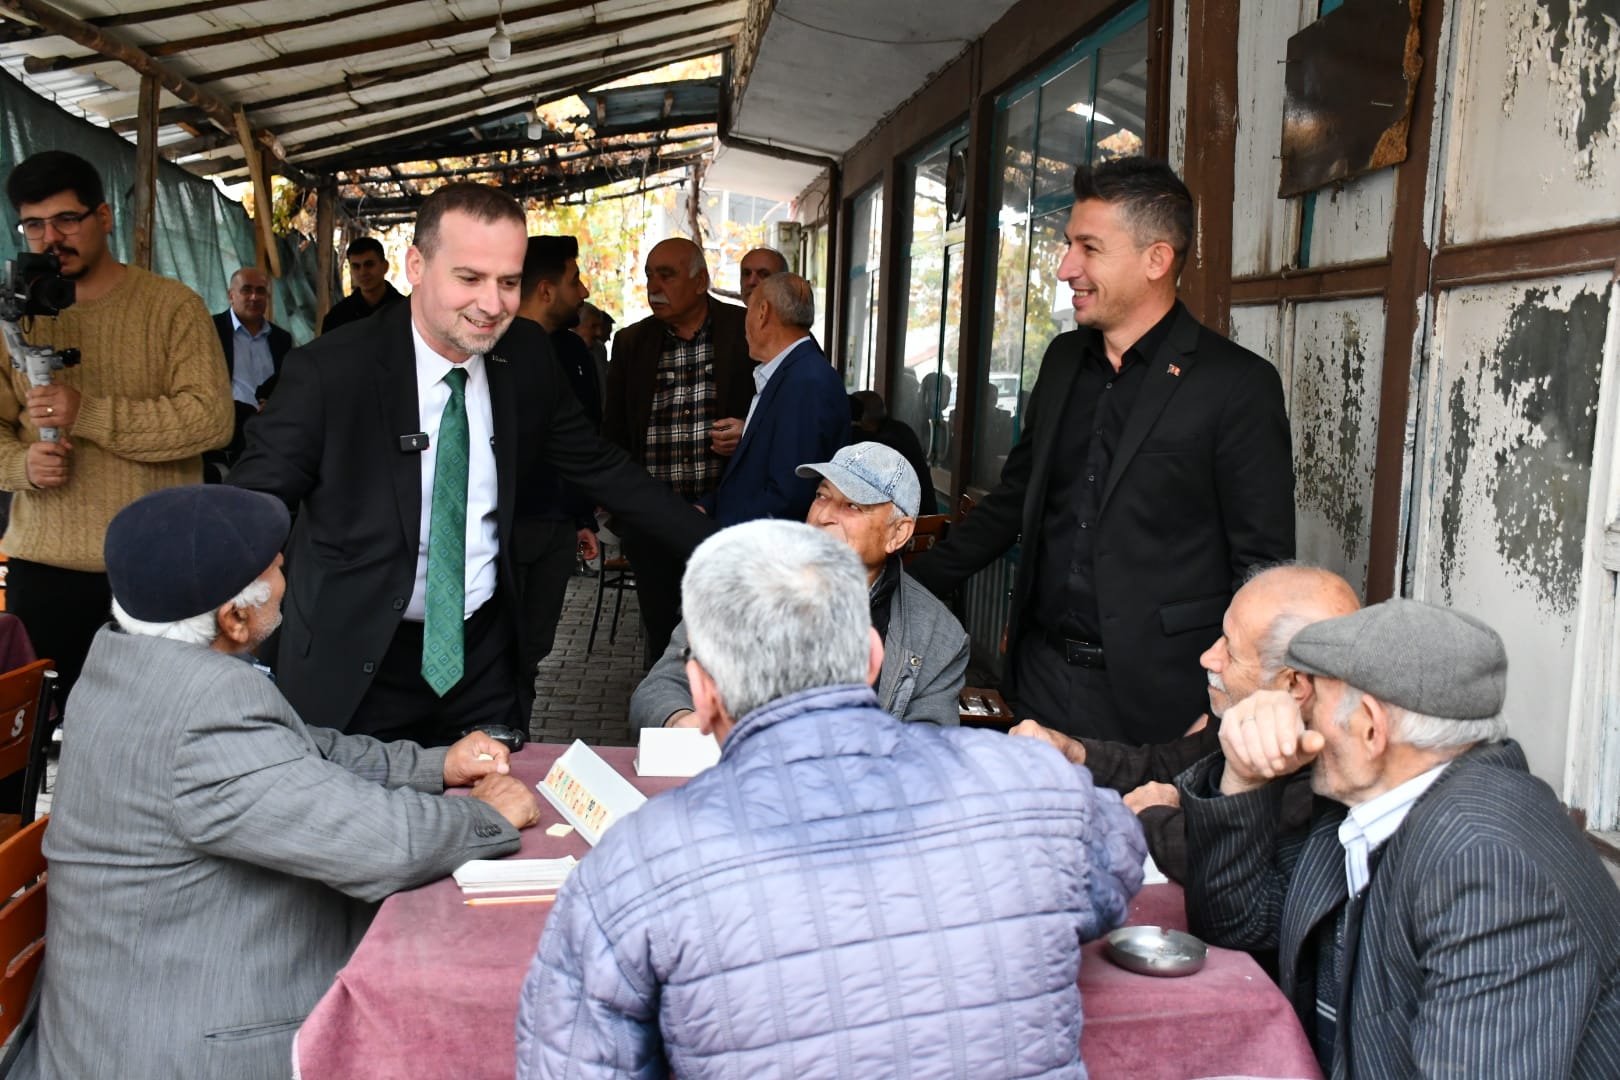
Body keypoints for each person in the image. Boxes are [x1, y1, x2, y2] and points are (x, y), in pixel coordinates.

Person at [517, 520, 1144, 1079]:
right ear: (873, 658)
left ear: (703, 692)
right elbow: (1118, 865)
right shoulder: (1033, 789)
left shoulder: (633, 866)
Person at [13, 484, 540, 1080]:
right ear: (235, 618)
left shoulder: (124, 664)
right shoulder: (206, 713)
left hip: (129, 1001)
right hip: (182, 1042)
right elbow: (385, 845)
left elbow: (302, 750)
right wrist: (486, 814)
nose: (289, 580)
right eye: (278, 569)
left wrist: (435, 766)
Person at [230, 183, 714, 744]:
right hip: (355, 663)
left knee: (497, 797)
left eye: (508, 282)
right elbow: (250, 503)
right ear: (416, 265)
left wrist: (724, 547)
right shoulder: (331, 371)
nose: (491, 304)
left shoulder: (526, 353)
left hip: (481, 662)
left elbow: (600, 465)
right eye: (469, 278)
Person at [908, 157, 1294, 746]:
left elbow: (1263, 566)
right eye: (1069, 245)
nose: (1066, 268)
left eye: (1088, 248)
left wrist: (1229, 699)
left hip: (1164, 703)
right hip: (1039, 680)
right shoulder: (1063, 361)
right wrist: (900, 584)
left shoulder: (1237, 385)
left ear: (1156, 260)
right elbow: (1012, 503)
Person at [1180, 599, 1620, 1077]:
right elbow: (1235, 922)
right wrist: (1245, 777)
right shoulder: (1375, 807)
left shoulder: (1484, 860)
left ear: (1371, 727)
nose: (1298, 715)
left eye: (1315, 700)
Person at [0, 150, 233, 708]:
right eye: (34, 224)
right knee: (43, 738)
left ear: (103, 217)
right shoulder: (12, 316)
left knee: (158, 731)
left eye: (67, 219)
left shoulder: (172, 307)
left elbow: (211, 419)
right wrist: (19, 464)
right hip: (43, 570)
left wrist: (89, 414)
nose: (50, 238)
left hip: (157, 572)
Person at [1014, 564, 1359, 882]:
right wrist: (1074, 753)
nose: (1209, 657)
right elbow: (1166, 765)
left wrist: (1153, 815)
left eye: (1230, 651)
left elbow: (1221, 866)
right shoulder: (1246, 714)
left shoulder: (1327, 779)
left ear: (1294, 684)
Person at [633, 441, 969, 728]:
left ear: (898, 533)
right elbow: (660, 687)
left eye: (852, 505)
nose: (823, 517)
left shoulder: (936, 636)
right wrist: (679, 721)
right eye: (822, 496)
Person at [603, 237, 754, 664]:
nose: (654, 286)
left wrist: (749, 432)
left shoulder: (743, 331)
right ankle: (665, 704)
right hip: (654, 524)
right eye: (649, 275)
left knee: (727, 642)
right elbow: (614, 431)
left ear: (700, 281)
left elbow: (781, 409)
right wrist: (625, 515)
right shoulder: (632, 342)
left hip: (724, 520)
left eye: (666, 275)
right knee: (662, 639)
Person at [511, 235, 601, 688]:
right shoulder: (490, 347)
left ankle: (518, 723)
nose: (583, 291)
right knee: (497, 646)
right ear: (546, 290)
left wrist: (582, 518)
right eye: (574, 280)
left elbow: (586, 442)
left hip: (558, 528)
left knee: (534, 649)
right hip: (507, 528)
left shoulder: (572, 352)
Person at [699, 273, 847, 526]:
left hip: (768, 543)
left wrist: (719, 530)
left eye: (748, 310)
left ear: (763, 312)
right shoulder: (789, 373)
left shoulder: (806, 381)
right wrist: (707, 507)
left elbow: (790, 496)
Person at [210, 265, 293, 472]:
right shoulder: (212, 330)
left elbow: (286, 382)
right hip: (227, 432)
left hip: (271, 431)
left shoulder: (281, 339)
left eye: (261, 291)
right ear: (231, 295)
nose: (254, 297)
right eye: (246, 290)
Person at [851, 387, 936, 514]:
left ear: (861, 420)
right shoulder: (900, 429)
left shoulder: (885, 444)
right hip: (923, 515)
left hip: (914, 520)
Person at [320, 236, 406, 333]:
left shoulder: (406, 312)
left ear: (385, 266)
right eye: (356, 266)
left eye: (369, 264)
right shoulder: (337, 317)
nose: (363, 272)